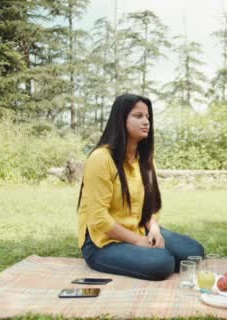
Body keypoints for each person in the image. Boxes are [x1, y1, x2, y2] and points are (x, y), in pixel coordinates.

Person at [77, 93, 204, 281]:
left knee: (194, 252)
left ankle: (148, 253)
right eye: (138, 116)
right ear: (121, 119)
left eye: (148, 117)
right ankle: (148, 257)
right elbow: (98, 219)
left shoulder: (145, 158)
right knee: (162, 263)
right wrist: (138, 241)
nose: (146, 122)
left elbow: (150, 205)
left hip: (139, 229)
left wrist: (154, 229)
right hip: (102, 243)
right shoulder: (101, 159)